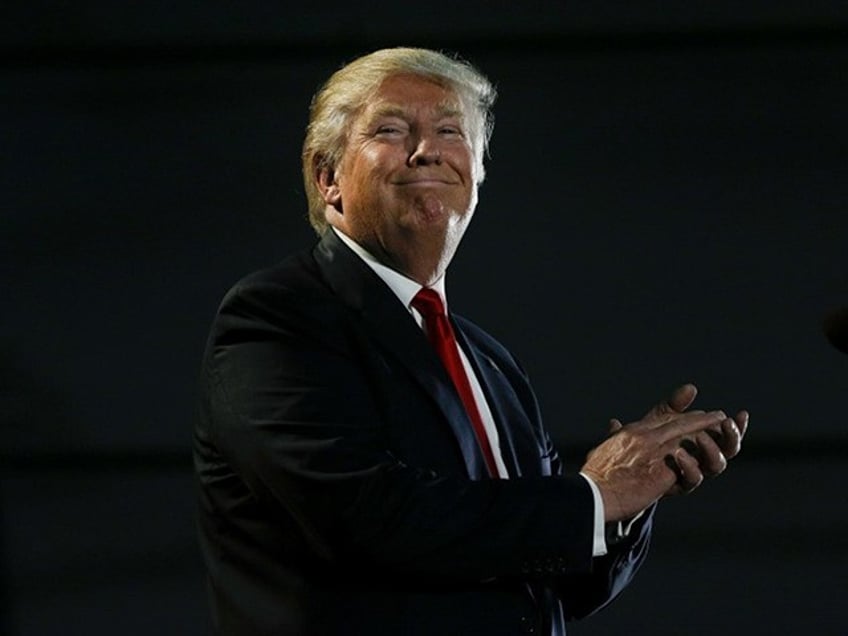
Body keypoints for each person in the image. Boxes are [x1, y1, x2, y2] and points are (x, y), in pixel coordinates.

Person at [193, 47, 748, 635]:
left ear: (477, 172)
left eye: (449, 130)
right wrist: (595, 496)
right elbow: (373, 520)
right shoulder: (278, 318)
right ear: (328, 179)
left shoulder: (490, 363)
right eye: (390, 129)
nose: (427, 149)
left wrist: (627, 505)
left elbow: (553, 587)